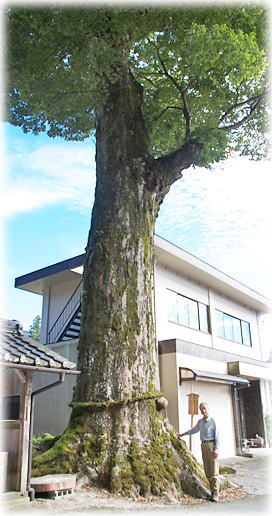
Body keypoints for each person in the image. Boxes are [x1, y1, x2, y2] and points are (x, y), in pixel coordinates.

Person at [177, 402, 220, 502]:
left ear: (208, 409)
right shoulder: (200, 422)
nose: (203, 411)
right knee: (207, 469)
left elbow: (217, 436)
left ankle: (216, 493)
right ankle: (212, 492)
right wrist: (183, 434)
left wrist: (216, 449)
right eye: (201, 409)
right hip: (203, 445)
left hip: (211, 445)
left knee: (214, 470)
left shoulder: (213, 421)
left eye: (204, 408)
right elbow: (194, 430)